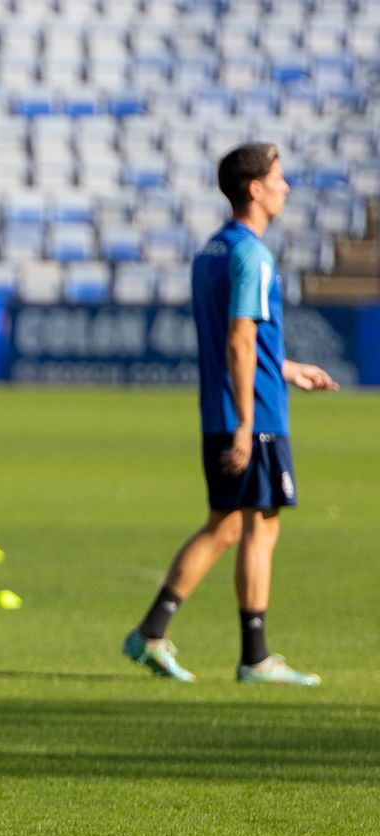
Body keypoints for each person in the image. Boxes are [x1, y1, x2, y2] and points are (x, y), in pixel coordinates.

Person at [123, 144, 337, 684]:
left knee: (227, 527)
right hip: (254, 416)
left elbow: (238, 341)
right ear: (255, 189)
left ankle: (152, 632)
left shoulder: (211, 251)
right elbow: (240, 340)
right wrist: (247, 421)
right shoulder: (253, 257)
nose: (286, 187)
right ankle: (255, 658)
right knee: (258, 528)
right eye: (279, 178)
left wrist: (286, 368)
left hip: (223, 407)